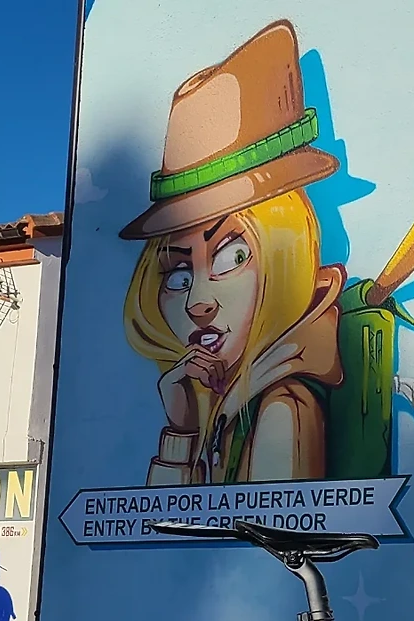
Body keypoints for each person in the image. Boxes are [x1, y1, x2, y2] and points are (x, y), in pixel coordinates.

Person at [120, 20, 344, 486]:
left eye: (231, 258)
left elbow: (179, 527)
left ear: (284, 253)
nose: (197, 303)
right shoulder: (234, 399)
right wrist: (183, 430)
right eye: (179, 275)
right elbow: (175, 529)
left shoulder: (280, 410)